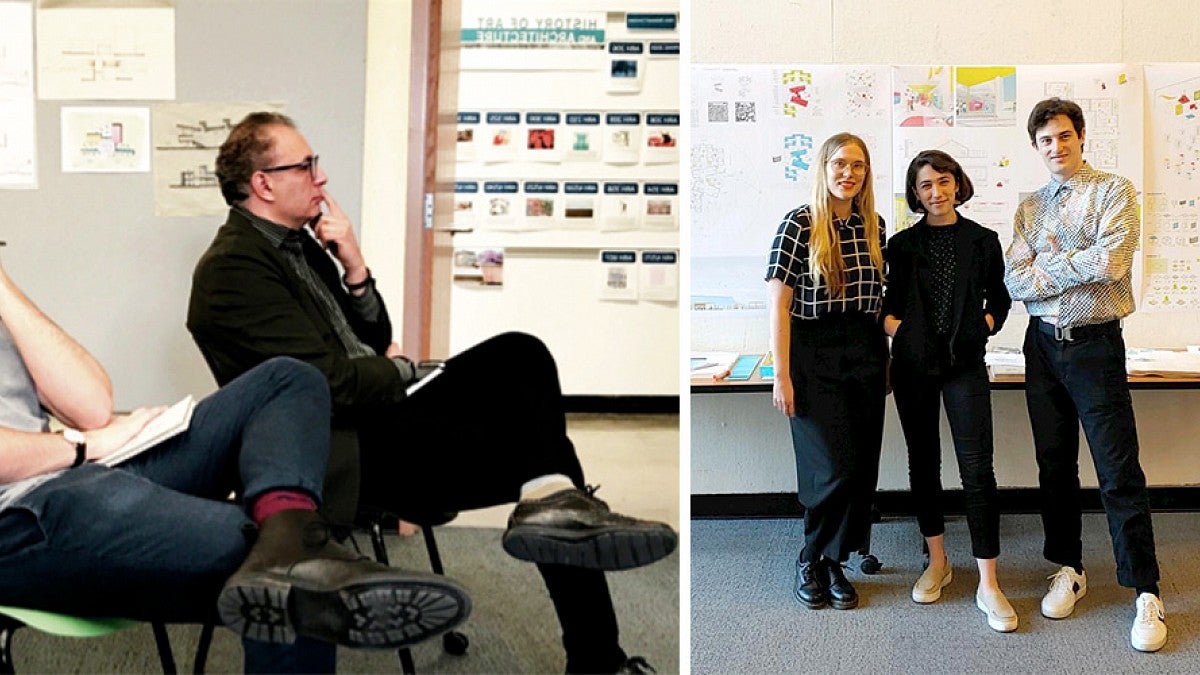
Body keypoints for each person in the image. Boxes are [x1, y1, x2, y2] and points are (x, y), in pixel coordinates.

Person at [186, 112, 677, 674]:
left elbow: (368, 334)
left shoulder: (298, 245)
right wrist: (402, 372)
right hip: (345, 454)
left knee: (543, 442)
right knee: (524, 376)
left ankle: (561, 532)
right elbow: (330, 385)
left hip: (381, 419)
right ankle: (595, 652)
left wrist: (354, 265)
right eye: (306, 165)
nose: (321, 178)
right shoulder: (233, 269)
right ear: (264, 182)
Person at [0, 257, 470, 673]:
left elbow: (91, 404)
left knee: (287, 378)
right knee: (295, 578)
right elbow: (87, 431)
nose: (320, 180)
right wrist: (81, 447)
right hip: (20, 515)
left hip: (64, 472)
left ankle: (289, 529)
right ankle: (294, 554)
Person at [1005, 97, 1165, 652]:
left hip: (1095, 348)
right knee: (1054, 464)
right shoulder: (1029, 207)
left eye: (1064, 136)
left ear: (1081, 137)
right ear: (1036, 147)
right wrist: (1068, 266)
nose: (1056, 147)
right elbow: (1013, 279)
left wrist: (1047, 266)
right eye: (1045, 140)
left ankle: (1146, 590)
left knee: (1118, 468)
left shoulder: (1114, 191)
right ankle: (1068, 566)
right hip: (1041, 348)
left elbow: (1112, 263)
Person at [883, 150, 1015, 631]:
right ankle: (937, 562)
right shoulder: (901, 245)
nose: (936, 192)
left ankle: (989, 581)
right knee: (924, 464)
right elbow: (887, 305)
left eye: (943, 181)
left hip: (965, 367)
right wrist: (902, 331)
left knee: (978, 469)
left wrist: (983, 325)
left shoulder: (983, 240)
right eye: (925, 185)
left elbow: (999, 298)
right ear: (915, 194)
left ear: (958, 183)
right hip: (914, 368)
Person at [765, 132, 888, 611]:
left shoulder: (872, 225)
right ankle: (810, 556)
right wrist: (782, 375)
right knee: (829, 468)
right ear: (823, 168)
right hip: (813, 354)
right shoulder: (798, 225)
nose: (848, 173)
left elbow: (877, 305)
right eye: (839, 164)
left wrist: (887, 361)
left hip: (865, 352)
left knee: (858, 467)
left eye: (857, 165)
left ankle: (833, 562)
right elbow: (778, 306)